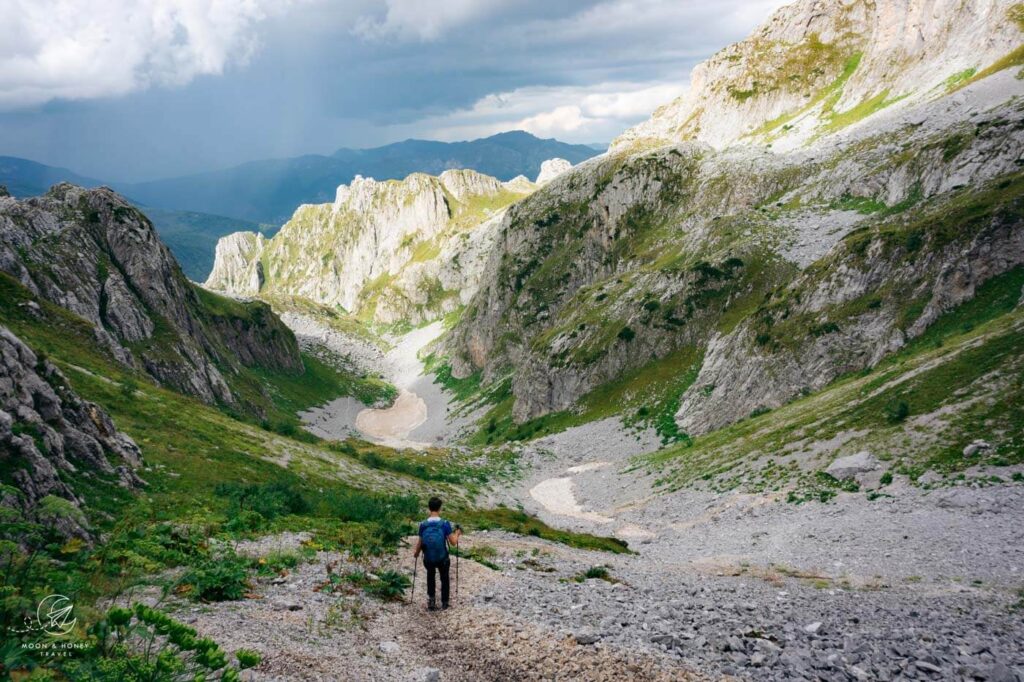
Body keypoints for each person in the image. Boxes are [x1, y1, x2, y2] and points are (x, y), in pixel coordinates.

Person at [413, 496, 461, 610]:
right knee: (444, 578)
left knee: (430, 576)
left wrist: (416, 553)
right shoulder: (444, 524)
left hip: (429, 557)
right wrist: (457, 533)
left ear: (429, 508)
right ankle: (444, 602)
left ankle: (431, 601)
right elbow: (453, 542)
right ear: (440, 508)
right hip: (442, 557)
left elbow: (420, 542)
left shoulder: (423, 524)